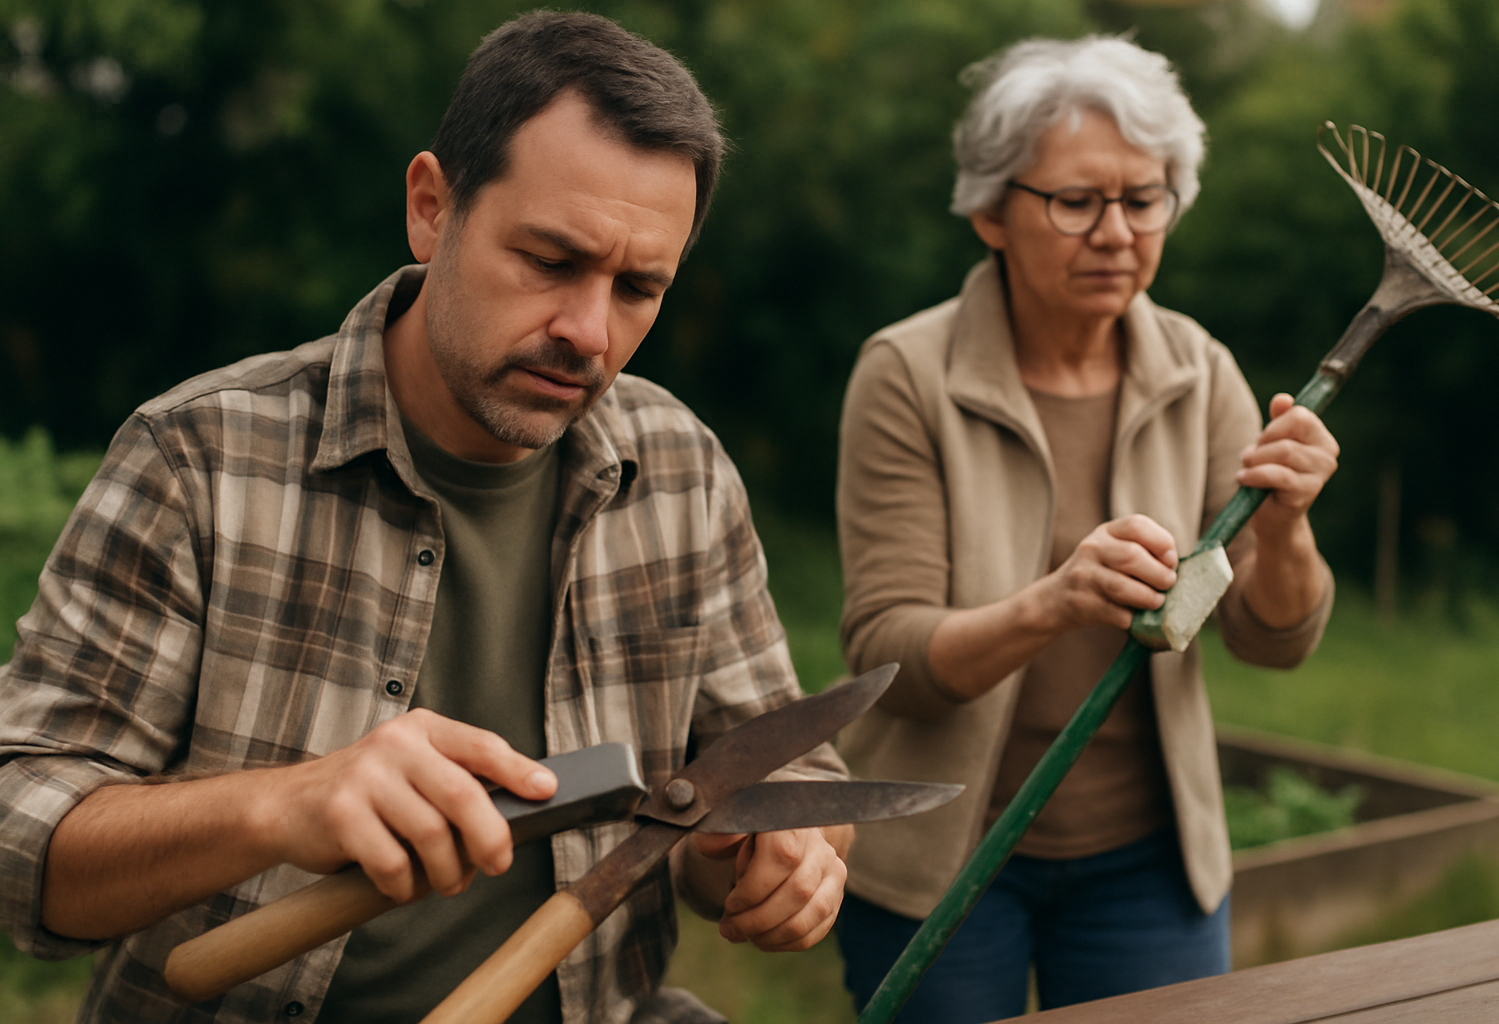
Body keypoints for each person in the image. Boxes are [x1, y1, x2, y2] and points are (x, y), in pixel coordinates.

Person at [0, 12, 852, 1024]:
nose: (589, 332)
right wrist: (281, 805)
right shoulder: (201, 459)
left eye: (637, 288)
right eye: (550, 259)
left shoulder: (681, 470)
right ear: (431, 208)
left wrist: (775, 854)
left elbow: (772, 765)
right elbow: (20, 844)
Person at [833, 35, 1338, 1021]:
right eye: (1076, 201)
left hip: (1147, 863)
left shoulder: (1198, 369)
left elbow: (1273, 641)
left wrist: (1286, 531)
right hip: (944, 860)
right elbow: (889, 654)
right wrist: (1055, 602)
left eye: (1144, 198)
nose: (1116, 232)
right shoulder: (907, 374)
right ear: (990, 211)